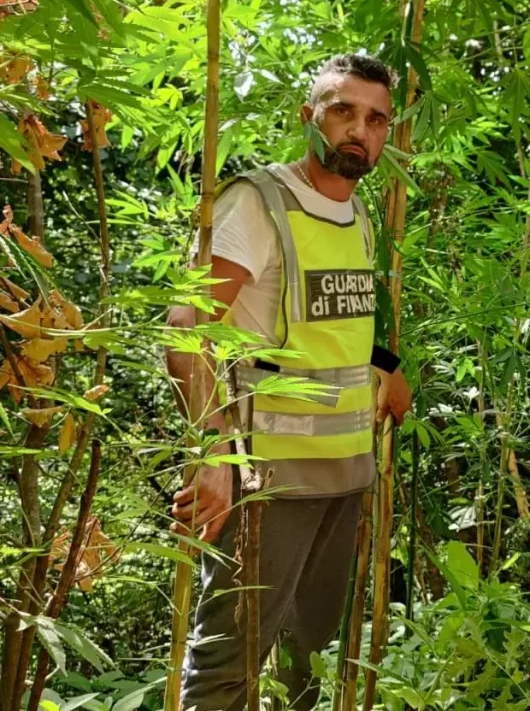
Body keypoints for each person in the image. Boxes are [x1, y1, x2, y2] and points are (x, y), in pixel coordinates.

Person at [165, 53, 412, 710]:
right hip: (266, 483)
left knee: (312, 662)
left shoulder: (358, 213)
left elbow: (326, 323)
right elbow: (188, 330)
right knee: (228, 666)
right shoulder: (259, 203)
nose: (360, 129)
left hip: (343, 475)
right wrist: (213, 451)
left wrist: (384, 364)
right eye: (343, 111)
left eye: (377, 119)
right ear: (310, 117)